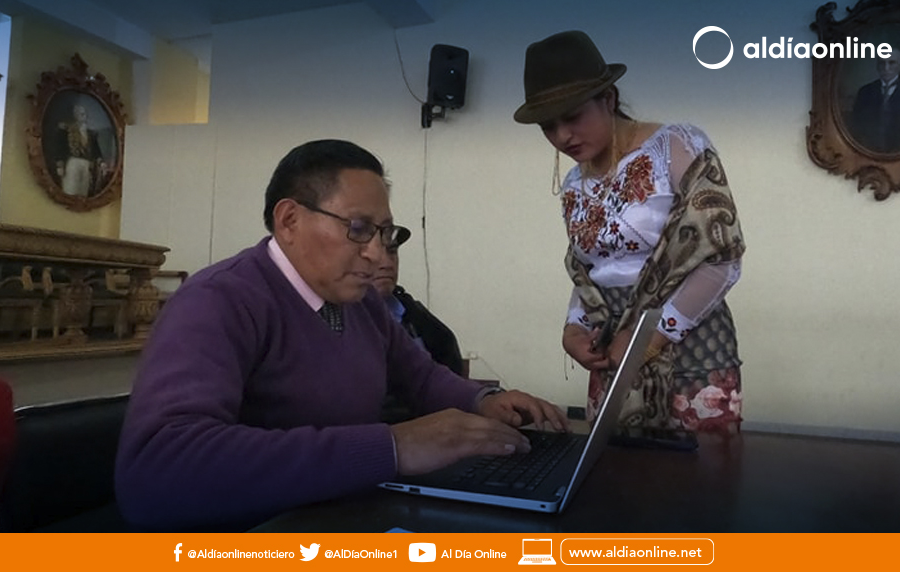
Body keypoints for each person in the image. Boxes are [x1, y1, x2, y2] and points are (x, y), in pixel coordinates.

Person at [115, 139, 568, 531]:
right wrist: (393, 447)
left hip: (339, 515)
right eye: (359, 229)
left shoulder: (360, 303)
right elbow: (158, 471)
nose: (378, 255)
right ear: (289, 221)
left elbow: (421, 377)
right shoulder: (219, 300)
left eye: (384, 233)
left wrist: (482, 401)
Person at [513, 31, 746, 435]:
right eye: (548, 126)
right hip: (612, 356)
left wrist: (648, 338)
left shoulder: (676, 147)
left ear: (608, 98)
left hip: (690, 350)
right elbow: (592, 272)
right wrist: (574, 328)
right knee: (615, 469)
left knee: (701, 471)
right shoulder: (574, 182)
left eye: (572, 117)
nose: (562, 136)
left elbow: (721, 257)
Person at [373, 242, 465, 376]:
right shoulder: (344, 320)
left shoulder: (410, 310)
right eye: (375, 255)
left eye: (392, 251)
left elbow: (448, 361)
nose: (387, 264)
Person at [849, 48, 900, 154]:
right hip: (870, 150)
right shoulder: (865, 92)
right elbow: (856, 124)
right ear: (877, 66)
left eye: (891, 63)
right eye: (882, 63)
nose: (886, 68)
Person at [55, 103, 106, 197]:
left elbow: (96, 150)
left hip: (86, 164)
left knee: (83, 191)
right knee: (70, 189)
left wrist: (101, 162)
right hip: (73, 163)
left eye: (84, 114)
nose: (84, 116)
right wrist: (60, 165)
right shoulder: (67, 130)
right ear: (75, 116)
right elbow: (61, 148)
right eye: (81, 114)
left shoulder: (90, 133)